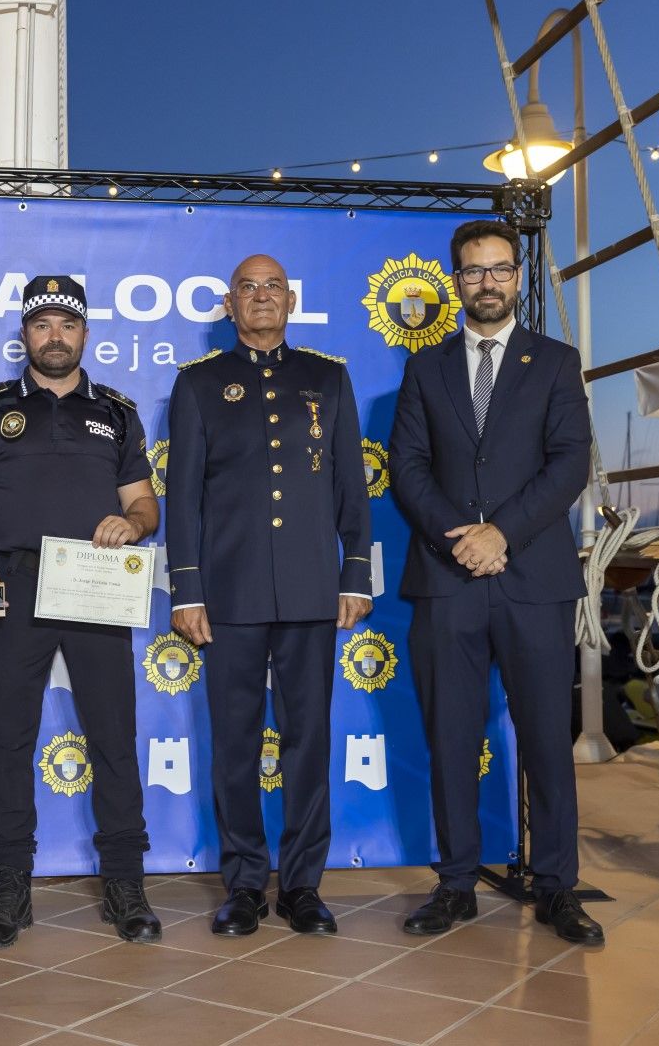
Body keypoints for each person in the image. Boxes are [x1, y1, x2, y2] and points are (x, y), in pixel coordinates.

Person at [387, 218, 602, 944]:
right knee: (450, 737)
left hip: (532, 579)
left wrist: (502, 533)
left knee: (546, 739)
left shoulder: (555, 362)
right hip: (447, 580)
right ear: (455, 282)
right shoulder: (426, 368)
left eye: (500, 270)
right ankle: (455, 884)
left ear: (518, 277)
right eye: (474, 271)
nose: (488, 282)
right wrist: (464, 540)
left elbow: (570, 462)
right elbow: (407, 470)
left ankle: (557, 887)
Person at [0, 274, 163, 948]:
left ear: (85, 334)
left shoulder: (119, 412)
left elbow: (145, 504)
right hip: (17, 581)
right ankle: (10, 889)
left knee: (114, 738)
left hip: (97, 582)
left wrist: (132, 524)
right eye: (42, 325)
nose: (55, 336)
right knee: (7, 736)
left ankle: (125, 886)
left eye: (67, 324)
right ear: (25, 336)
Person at [166, 254, 373, 936]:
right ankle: (246, 885)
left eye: (273, 287)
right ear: (230, 305)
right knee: (234, 745)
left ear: (291, 301)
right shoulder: (199, 384)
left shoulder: (327, 378)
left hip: (313, 591)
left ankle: (304, 887)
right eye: (248, 289)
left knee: (308, 743)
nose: (261, 298)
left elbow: (352, 488)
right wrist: (186, 592)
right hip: (229, 594)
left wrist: (354, 574)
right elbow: (184, 499)